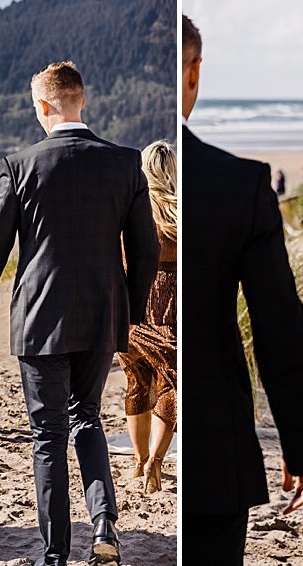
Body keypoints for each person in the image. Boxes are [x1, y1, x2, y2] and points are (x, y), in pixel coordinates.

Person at [0, 61, 158, 566]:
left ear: (43, 107)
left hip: (40, 317)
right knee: (86, 419)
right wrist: (130, 314)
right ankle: (105, 528)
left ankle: (54, 555)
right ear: (81, 101)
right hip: (102, 315)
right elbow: (146, 250)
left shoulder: (20, 165)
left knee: (48, 437)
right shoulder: (125, 162)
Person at [179, 14, 303, 565]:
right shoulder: (239, 186)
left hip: (126, 426)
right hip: (211, 430)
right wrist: (301, 445)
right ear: (194, 73)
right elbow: (278, 325)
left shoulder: (122, 176)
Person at [119, 139, 178, 493]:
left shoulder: (131, 208)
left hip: (132, 308)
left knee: (137, 383)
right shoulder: (179, 213)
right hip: (170, 309)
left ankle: (139, 462)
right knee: (170, 386)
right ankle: (156, 461)